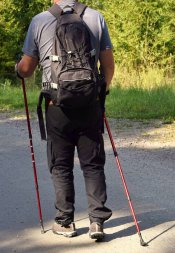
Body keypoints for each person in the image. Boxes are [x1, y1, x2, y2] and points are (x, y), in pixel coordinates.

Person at [16, 0, 115, 240]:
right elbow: (108, 65)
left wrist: (18, 68)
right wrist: (101, 91)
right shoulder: (95, 17)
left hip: (56, 104)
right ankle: (97, 222)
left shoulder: (40, 20)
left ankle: (65, 221)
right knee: (92, 164)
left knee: (60, 164)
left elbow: (27, 69)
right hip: (89, 104)